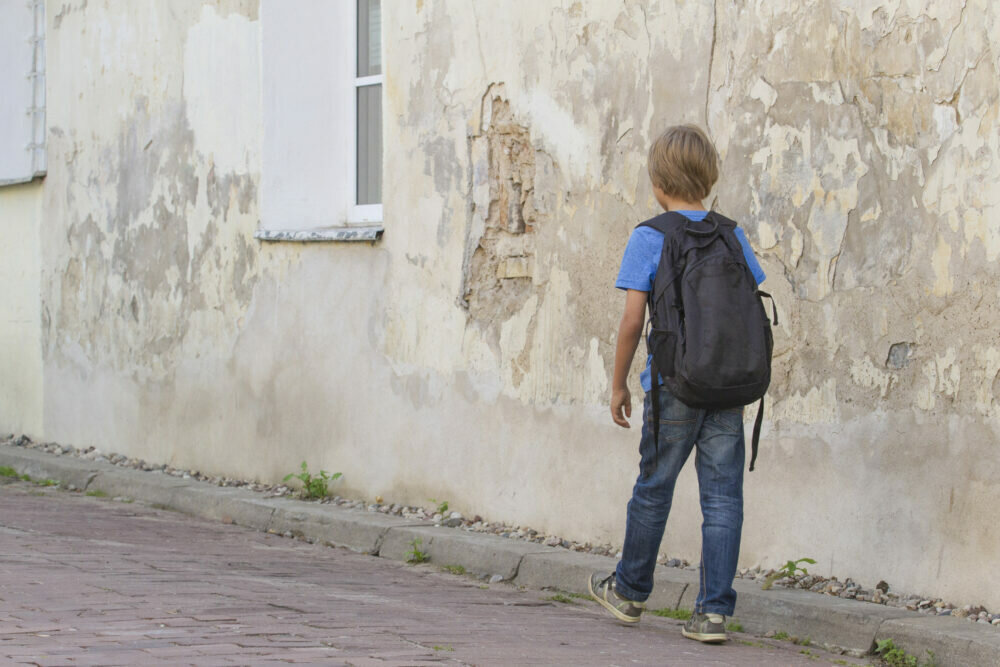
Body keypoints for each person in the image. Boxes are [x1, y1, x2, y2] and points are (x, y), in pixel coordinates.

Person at [588, 124, 766, 644]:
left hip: (672, 388)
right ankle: (712, 613)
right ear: (707, 177)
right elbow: (751, 290)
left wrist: (618, 384)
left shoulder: (651, 235)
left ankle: (629, 592)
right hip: (728, 386)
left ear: (657, 180)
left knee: (654, 488)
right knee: (723, 497)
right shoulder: (731, 234)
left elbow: (630, 323)